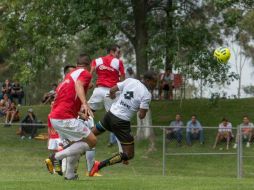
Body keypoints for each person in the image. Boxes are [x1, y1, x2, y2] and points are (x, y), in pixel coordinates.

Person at [87, 71, 157, 177]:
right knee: (129, 154)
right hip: (121, 122)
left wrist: (112, 96)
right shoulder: (146, 94)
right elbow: (141, 116)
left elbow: (112, 90)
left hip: (110, 115)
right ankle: (98, 166)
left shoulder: (131, 81)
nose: (155, 84)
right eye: (154, 81)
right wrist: (141, 108)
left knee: (88, 136)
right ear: (147, 80)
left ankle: (65, 149)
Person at [48, 53, 96, 180]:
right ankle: (56, 157)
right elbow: (79, 85)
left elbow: (65, 99)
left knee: (77, 144)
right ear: (88, 65)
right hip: (64, 117)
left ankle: (70, 175)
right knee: (92, 141)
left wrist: (79, 113)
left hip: (57, 117)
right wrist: (85, 103)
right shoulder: (85, 73)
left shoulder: (69, 76)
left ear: (76, 65)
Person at [88, 44, 125, 149]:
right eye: (118, 52)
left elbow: (89, 75)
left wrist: (89, 83)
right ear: (112, 51)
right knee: (117, 121)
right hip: (112, 93)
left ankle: (72, 137)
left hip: (98, 91)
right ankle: (122, 151)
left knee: (86, 112)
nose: (120, 54)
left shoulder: (97, 60)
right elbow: (123, 81)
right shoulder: (119, 62)